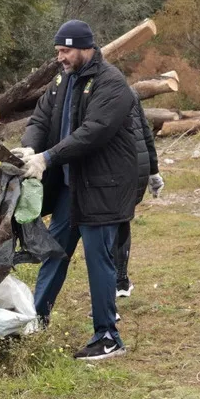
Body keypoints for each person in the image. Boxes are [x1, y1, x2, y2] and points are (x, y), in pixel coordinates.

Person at [14, 19, 138, 361]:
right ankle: (36, 318)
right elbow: (40, 119)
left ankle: (108, 337)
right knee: (54, 252)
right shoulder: (62, 80)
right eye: (57, 51)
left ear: (86, 48)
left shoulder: (111, 83)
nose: (60, 57)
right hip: (72, 186)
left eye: (65, 51)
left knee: (99, 262)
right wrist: (29, 148)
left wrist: (48, 157)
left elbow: (93, 132)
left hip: (103, 187)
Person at [114, 98, 164, 299]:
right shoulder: (130, 92)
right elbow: (145, 132)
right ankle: (121, 279)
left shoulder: (99, 90)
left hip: (121, 167)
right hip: (139, 166)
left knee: (110, 223)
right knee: (121, 221)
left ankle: (116, 281)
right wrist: (154, 171)